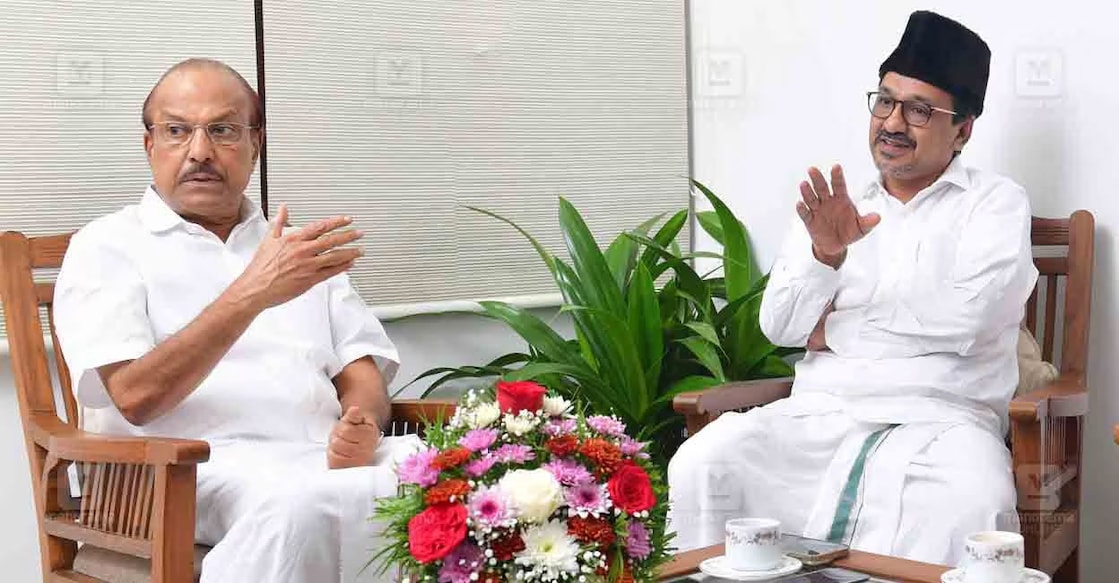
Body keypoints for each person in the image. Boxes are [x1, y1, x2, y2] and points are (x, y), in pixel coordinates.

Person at [667, 11, 1038, 565]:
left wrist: (837, 322)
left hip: (945, 422)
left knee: (975, 501)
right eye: (884, 101)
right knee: (705, 461)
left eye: (918, 110)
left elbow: (971, 322)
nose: (891, 123)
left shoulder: (996, 204)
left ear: (962, 129)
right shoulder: (835, 205)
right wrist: (827, 255)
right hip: (820, 414)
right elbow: (780, 326)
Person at [53, 58, 418, 583]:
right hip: (179, 475)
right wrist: (251, 293)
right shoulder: (106, 246)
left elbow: (359, 371)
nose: (199, 151)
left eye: (222, 130)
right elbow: (134, 397)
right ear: (149, 145)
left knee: (462, 474)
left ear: (255, 143)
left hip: (316, 457)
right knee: (299, 505)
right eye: (177, 130)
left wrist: (360, 423)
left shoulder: (292, 250)